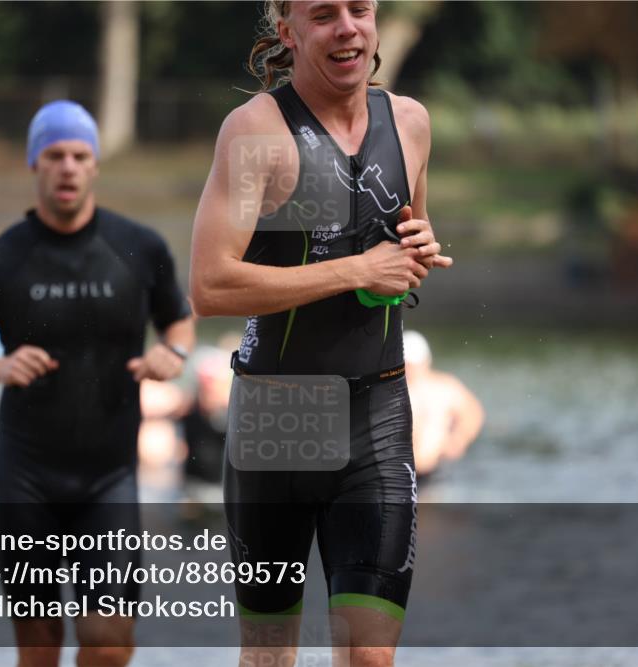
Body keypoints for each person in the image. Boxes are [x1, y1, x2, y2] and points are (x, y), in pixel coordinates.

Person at [189, 2, 451, 665]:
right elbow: (210, 285)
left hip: (378, 415)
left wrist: (418, 247)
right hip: (277, 419)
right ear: (289, 31)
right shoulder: (255, 133)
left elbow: (408, 244)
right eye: (324, 13)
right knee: (270, 653)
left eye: (359, 9)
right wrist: (356, 268)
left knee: (369, 655)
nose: (347, 28)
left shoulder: (411, 124)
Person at [0, 100, 194, 667]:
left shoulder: (138, 248)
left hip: (109, 479)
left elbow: (179, 317)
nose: (68, 167)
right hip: (23, 480)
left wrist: (173, 352)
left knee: (108, 642)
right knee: (40, 647)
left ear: (95, 164)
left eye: (79, 155)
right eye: (54, 155)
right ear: (35, 164)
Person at [403, 330, 484, 478]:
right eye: (407, 364)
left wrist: (459, 439)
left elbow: (472, 412)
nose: (411, 369)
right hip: (397, 470)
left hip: (434, 469)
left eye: (414, 364)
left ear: (426, 361)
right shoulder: (391, 389)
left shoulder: (445, 387)